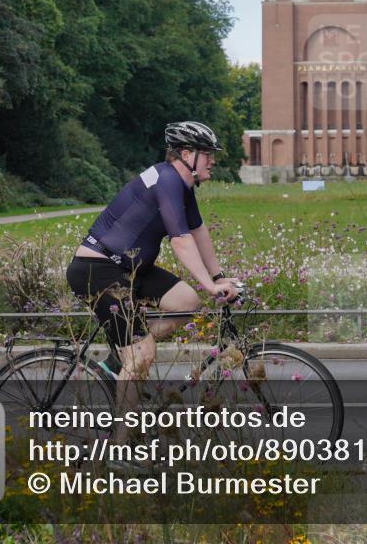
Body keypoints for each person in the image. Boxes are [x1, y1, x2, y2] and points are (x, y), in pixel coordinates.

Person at [65, 120, 238, 442]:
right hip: (98, 270)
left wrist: (217, 277)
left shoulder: (181, 184)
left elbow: (198, 232)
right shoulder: (167, 180)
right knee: (141, 356)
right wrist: (212, 286)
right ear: (186, 154)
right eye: (207, 154)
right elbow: (181, 241)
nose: (213, 160)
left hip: (130, 270)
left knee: (186, 301)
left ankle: (121, 359)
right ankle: (120, 451)